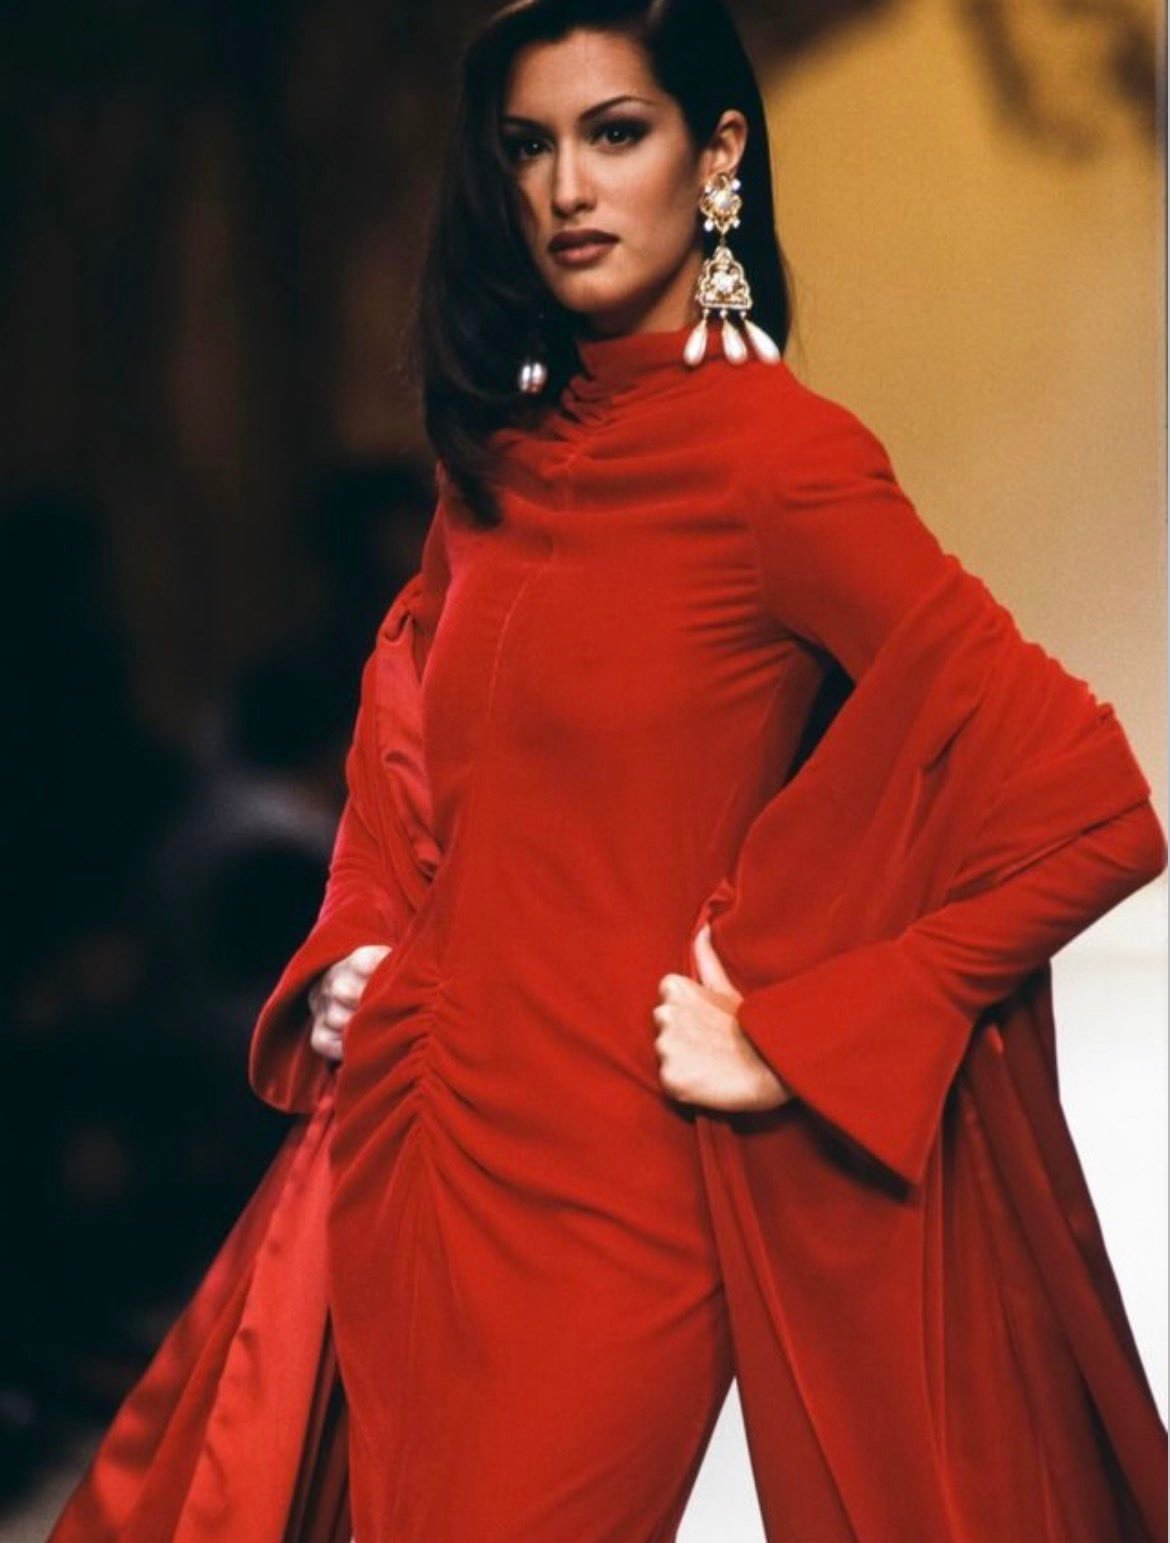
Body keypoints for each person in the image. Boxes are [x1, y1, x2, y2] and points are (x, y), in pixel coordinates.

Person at [50, 0, 1168, 1539]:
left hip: (611, 1206)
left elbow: (1087, 804)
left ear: (716, 153)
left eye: (614, 133)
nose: (565, 187)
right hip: (402, 1147)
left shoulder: (781, 465)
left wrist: (804, 1036)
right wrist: (350, 951)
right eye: (527, 147)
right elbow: (418, 776)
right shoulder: (492, 469)